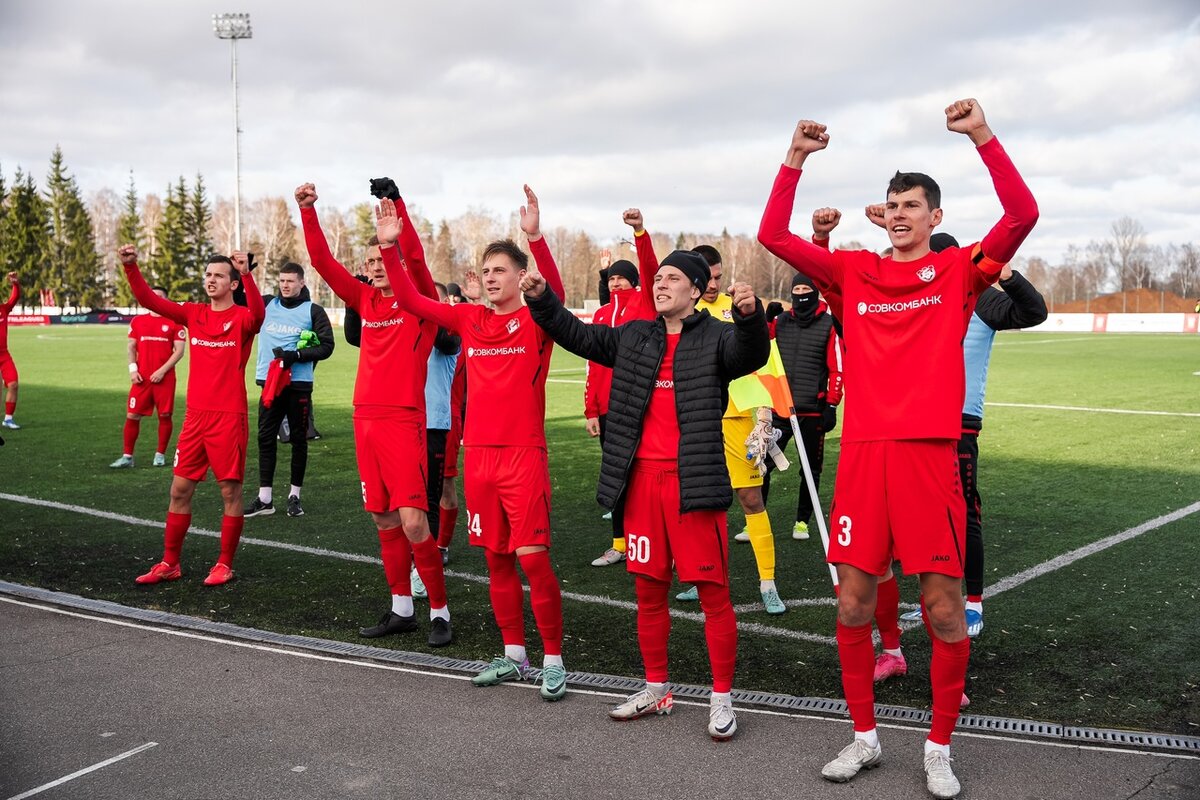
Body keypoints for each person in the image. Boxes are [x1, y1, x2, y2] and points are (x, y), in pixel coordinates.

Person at [757, 98, 1038, 798]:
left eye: (914, 204)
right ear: (884, 215)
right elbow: (771, 233)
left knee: (943, 609)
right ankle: (863, 736)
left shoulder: (959, 273)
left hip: (927, 460)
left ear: (935, 218)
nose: (903, 212)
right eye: (894, 203)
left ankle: (938, 747)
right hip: (864, 461)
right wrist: (794, 158)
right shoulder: (853, 273)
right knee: (852, 604)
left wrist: (982, 136)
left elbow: (1023, 214)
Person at [522, 248, 769, 739]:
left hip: (692, 485)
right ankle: (657, 690)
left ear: (696, 290)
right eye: (658, 277)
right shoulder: (635, 336)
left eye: (673, 278)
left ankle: (722, 699)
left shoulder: (717, 338)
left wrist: (749, 317)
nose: (660, 284)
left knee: (714, 597)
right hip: (640, 488)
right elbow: (579, 335)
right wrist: (542, 299)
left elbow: (751, 354)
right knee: (648, 593)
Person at [378, 185, 569, 702]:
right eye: (484, 272)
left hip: (523, 456)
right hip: (479, 458)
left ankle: (553, 659)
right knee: (496, 560)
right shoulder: (468, 320)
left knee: (532, 559)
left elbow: (559, 296)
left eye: (499, 270)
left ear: (519, 275)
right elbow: (411, 299)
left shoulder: (536, 320)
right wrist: (391, 248)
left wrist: (536, 237)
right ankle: (513, 655)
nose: (489, 278)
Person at [297, 182, 453, 649]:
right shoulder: (364, 302)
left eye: (382, 261)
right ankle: (402, 608)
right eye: (369, 264)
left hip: (404, 422)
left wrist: (397, 223)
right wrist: (307, 210)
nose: (374, 269)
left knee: (413, 523)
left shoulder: (420, 305)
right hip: (365, 420)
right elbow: (323, 264)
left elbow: (421, 266)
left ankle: (440, 612)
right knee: (384, 520)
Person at [876, 231, 1047, 652]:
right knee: (919, 515)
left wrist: (1006, 275)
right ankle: (932, 598)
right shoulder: (914, 294)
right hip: (914, 419)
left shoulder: (978, 295)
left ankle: (972, 603)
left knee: (963, 513)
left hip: (959, 421)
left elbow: (1034, 312)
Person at [118, 245, 266, 587]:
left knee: (230, 493)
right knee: (179, 490)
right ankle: (170, 562)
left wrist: (247, 274)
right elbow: (150, 302)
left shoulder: (242, 317)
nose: (211, 281)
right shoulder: (193, 314)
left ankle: (224, 564)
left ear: (232, 284)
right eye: (208, 275)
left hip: (229, 417)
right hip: (196, 418)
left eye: (219, 276)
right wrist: (131, 267)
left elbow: (258, 315)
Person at [678, 245, 786, 615]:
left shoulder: (737, 308)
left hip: (740, 421)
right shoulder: (679, 314)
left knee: (751, 500)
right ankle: (700, 576)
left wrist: (765, 415)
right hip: (696, 420)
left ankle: (768, 583)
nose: (713, 283)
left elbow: (763, 363)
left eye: (718, 276)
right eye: (706, 277)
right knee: (699, 503)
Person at [760, 211, 844, 540]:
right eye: (797, 291)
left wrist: (832, 405)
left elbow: (838, 366)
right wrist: (765, 322)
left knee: (810, 470)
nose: (801, 296)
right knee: (763, 462)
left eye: (807, 290)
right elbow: (764, 356)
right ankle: (758, 518)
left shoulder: (828, 322)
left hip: (813, 410)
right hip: (780, 410)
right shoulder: (781, 322)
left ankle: (802, 521)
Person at [584, 209, 659, 567]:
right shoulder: (600, 315)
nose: (616, 283)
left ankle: (654, 540)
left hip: (641, 404)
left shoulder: (645, 304)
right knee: (616, 475)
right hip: (608, 410)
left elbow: (650, 269)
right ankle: (620, 543)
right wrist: (591, 411)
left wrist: (640, 233)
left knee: (646, 476)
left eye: (621, 279)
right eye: (611, 279)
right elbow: (592, 367)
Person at [242, 262, 334, 518]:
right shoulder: (267, 304)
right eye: (282, 280)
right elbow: (239, 297)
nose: (285, 285)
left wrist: (296, 355)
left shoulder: (313, 310)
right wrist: (242, 272)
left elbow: (327, 346)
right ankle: (265, 498)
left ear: (302, 283)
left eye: (290, 281)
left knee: (298, 440)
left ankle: (295, 495)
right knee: (265, 438)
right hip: (269, 383)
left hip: (298, 386)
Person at [110, 286, 187, 468]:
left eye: (160, 296)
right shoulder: (138, 321)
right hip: (141, 378)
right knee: (132, 415)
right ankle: (127, 457)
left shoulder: (175, 322)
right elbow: (131, 347)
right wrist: (132, 369)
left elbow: (179, 351)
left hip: (165, 379)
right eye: (153, 296)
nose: (155, 299)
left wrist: (162, 371)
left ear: (166, 300)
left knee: (165, 415)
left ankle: (159, 455)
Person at [1, 272, 21, 429]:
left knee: (13, 384)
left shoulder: (3, 309)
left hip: (4, 354)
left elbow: (14, 298)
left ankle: (8, 419)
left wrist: (15, 284)